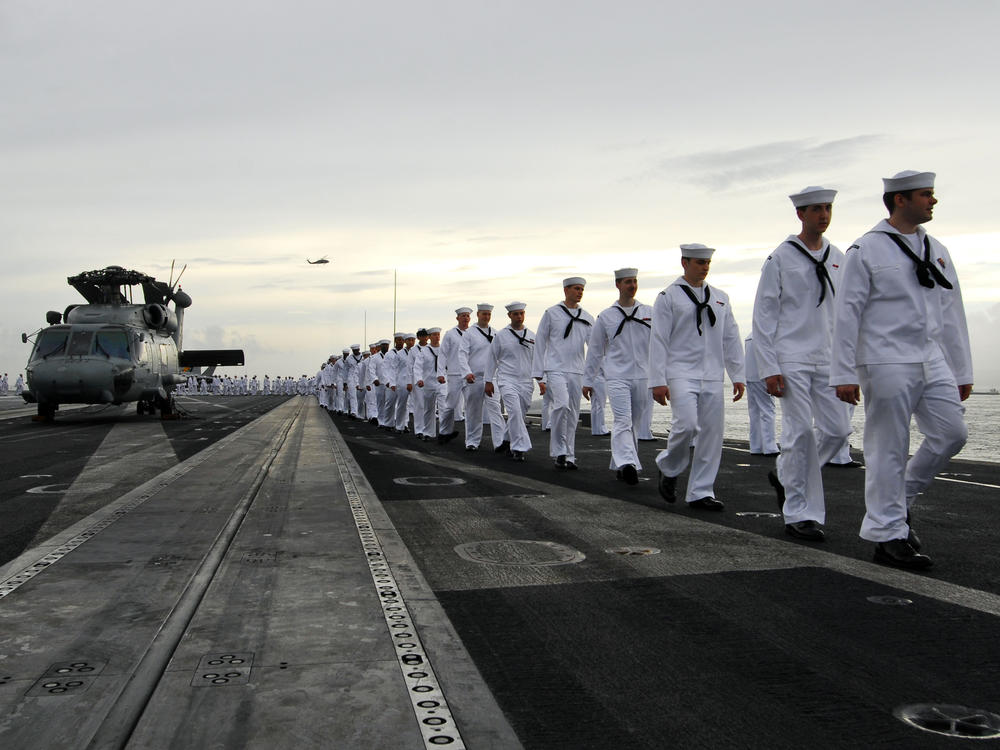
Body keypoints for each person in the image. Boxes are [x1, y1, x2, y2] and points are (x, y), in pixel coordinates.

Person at [831, 170, 972, 570]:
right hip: (885, 358)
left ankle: (903, 498)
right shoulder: (866, 250)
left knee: (951, 434)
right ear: (899, 200)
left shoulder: (937, 248)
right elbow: (847, 315)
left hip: (931, 357)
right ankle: (887, 534)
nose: (933, 201)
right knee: (887, 449)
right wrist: (843, 372)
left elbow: (952, 312)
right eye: (926, 195)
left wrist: (961, 370)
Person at [752, 185, 852, 541]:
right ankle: (799, 512)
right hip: (791, 357)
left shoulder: (840, 257)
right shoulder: (781, 258)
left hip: (829, 359)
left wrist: (850, 365)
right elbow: (764, 317)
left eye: (827, 208)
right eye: (815, 209)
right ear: (800, 214)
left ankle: (784, 475)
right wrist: (769, 367)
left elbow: (847, 314)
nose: (823, 215)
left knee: (839, 431)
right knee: (799, 432)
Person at [649, 244, 745, 511]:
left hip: (712, 374)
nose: (704, 267)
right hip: (680, 372)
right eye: (698, 262)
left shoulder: (721, 297)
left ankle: (701, 491)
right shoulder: (669, 297)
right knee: (687, 425)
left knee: (713, 435)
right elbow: (658, 340)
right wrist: (657, 380)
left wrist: (738, 374)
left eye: (707, 263)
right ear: (684, 262)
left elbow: (731, 338)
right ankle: (669, 467)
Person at [583, 268, 653, 485]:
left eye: (634, 281)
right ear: (618, 285)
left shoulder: (649, 311)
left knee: (634, 423)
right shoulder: (606, 316)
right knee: (622, 420)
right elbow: (595, 351)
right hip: (617, 376)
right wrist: (587, 380)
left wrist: (664, 377)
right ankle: (629, 464)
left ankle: (621, 463)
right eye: (627, 282)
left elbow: (660, 346)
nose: (632, 285)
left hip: (643, 375)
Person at [532, 277, 594, 469]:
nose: (580, 292)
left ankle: (569, 455)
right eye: (576, 288)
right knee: (561, 406)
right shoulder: (552, 313)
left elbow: (594, 348)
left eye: (582, 289)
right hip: (555, 369)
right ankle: (559, 450)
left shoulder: (587, 317)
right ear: (566, 290)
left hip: (577, 370)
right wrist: (539, 373)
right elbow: (540, 342)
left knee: (573, 413)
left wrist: (594, 376)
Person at [484, 302, 543, 461]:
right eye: (515, 314)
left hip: (526, 382)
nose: (519, 316)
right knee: (515, 412)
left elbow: (537, 360)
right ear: (509, 315)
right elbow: (491, 359)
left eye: (521, 313)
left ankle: (506, 440)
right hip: (507, 380)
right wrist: (488, 381)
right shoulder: (501, 335)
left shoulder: (532, 335)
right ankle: (518, 448)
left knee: (519, 415)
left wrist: (541, 381)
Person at [460, 304, 506, 451]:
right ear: (478, 314)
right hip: (474, 378)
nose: (486, 317)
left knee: (495, 410)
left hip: (491, 378)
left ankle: (499, 443)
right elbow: (462, 354)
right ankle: (472, 441)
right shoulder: (469, 333)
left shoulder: (496, 333)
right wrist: (466, 372)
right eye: (484, 314)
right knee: (473, 411)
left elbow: (501, 355)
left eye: (488, 314)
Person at [438, 308, 472, 443]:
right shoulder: (450, 334)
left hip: (469, 375)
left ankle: (471, 439)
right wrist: (440, 373)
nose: (465, 318)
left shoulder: (472, 333)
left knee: (471, 406)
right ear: (457, 318)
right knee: (450, 405)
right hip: (454, 374)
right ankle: (444, 432)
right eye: (463, 316)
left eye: (467, 316)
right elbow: (442, 354)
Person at [744, 336, 779, 456]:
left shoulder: (749, 337)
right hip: (762, 376)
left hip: (749, 376)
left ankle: (756, 446)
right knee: (767, 411)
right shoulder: (766, 336)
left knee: (754, 412)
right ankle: (770, 447)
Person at [414, 327, 446, 440]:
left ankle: (444, 433)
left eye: (438, 334)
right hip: (428, 383)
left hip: (442, 383)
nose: (437, 337)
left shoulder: (444, 349)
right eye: (434, 335)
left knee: (443, 407)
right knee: (429, 409)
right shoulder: (424, 351)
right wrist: (419, 379)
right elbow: (417, 367)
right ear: (429, 337)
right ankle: (428, 432)